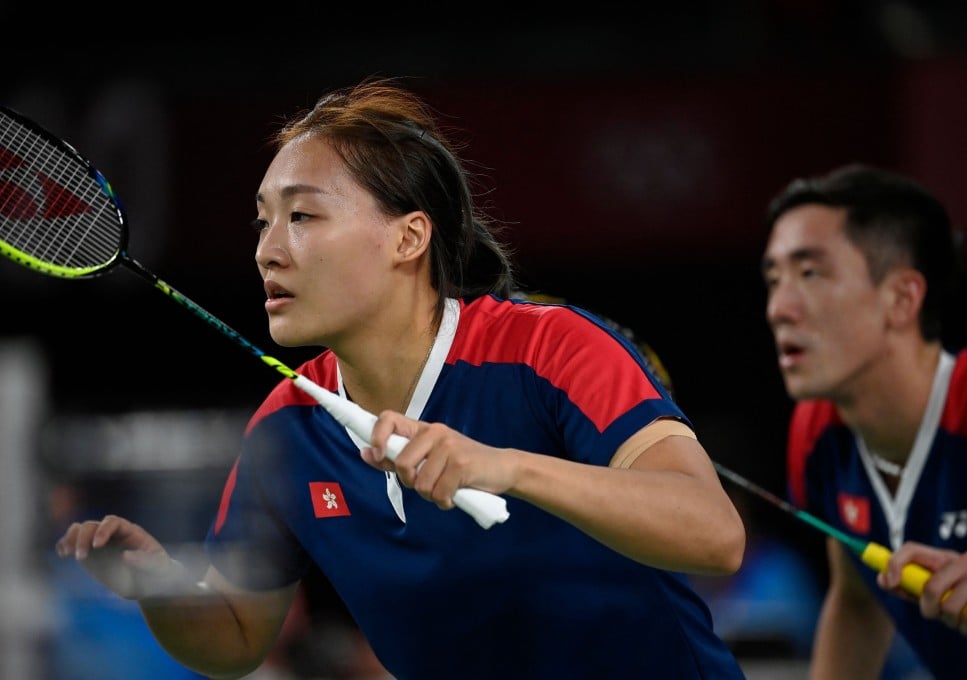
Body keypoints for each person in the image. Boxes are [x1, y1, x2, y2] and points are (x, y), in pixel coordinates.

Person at [54, 77, 747, 679]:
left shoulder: (547, 350)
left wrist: (507, 467)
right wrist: (157, 587)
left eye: (301, 216)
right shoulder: (289, 426)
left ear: (409, 238)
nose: (268, 250)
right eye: (263, 222)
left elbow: (714, 534)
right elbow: (235, 639)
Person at [760, 163, 967, 679]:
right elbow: (857, 601)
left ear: (902, 299)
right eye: (773, 278)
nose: (779, 308)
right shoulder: (818, 434)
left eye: (810, 273)